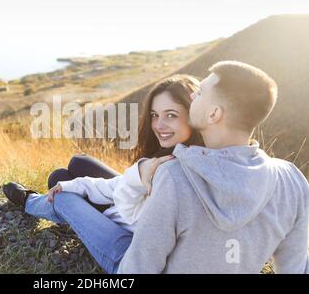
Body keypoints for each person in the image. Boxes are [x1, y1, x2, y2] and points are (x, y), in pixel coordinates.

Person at [118, 60, 309, 273]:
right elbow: (296, 266)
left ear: (213, 114)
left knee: (75, 204)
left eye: (199, 93)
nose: (191, 96)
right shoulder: (293, 180)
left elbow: (138, 267)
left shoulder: (175, 175)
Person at [2, 74, 203, 273]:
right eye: (154, 115)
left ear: (195, 115)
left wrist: (127, 185)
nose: (159, 125)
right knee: (76, 165)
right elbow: (122, 190)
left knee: (60, 190)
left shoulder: (180, 174)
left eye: (171, 115)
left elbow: (135, 219)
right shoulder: (176, 155)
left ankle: (28, 200)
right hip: (128, 211)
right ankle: (79, 203)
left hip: (132, 254)